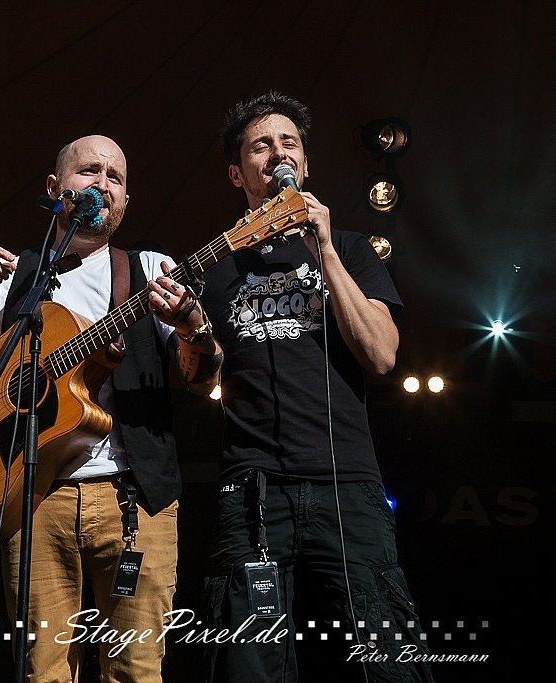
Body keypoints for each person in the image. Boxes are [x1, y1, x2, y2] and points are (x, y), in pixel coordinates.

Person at [0, 134, 222, 682]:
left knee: (136, 672)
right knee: (41, 673)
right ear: (54, 187)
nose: (102, 184)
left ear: (126, 200)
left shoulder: (151, 270)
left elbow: (204, 379)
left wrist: (194, 327)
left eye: (115, 178)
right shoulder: (16, 276)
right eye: (89, 171)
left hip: (136, 499)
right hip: (34, 498)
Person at [198, 93, 433, 682]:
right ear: (237, 173)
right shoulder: (216, 269)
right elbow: (199, 376)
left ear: (304, 163)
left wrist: (323, 247)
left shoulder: (350, 248)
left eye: (290, 143)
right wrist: (189, 333)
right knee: (248, 665)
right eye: (261, 145)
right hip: (251, 487)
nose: (278, 153)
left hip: (345, 481)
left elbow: (381, 354)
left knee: (387, 659)